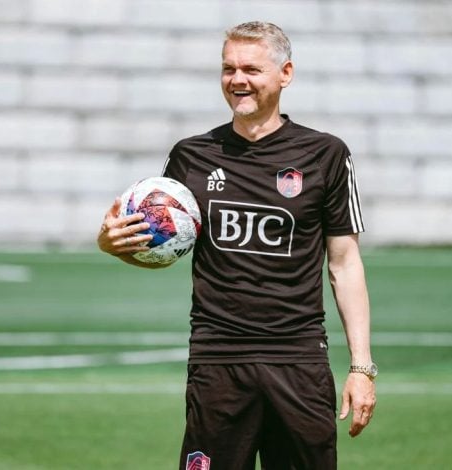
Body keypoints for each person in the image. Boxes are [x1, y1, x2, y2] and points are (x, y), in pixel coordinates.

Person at [98, 21, 375, 469]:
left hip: (297, 360)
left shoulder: (325, 155)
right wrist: (111, 244)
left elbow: (344, 265)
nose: (237, 80)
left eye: (250, 68)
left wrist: (361, 368)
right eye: (228, 69)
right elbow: (159, 247)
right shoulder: (191, 156)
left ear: (285, 73)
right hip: (217, 361)